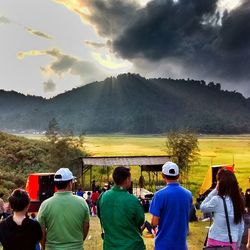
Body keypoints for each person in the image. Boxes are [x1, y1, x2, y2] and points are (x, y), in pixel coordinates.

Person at [37, 168, 90, 250]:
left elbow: (41, 230)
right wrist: (78, 242)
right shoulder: (82, 202)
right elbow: (86, 226)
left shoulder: (45, 205)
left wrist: (44, 247)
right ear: (70, 183)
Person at [97, 166, 145, 250]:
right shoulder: (132, 200)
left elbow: (100, 215)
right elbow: (140, 221)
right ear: (127, 180)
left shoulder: (102, 196)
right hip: (132, 246)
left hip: (110, 246)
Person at [149, 161, 192, 250]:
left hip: (163, 245)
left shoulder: (159, 195)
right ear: (178, 176)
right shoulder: (188, 194)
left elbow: (154, 222)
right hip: (181, 245)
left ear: (163, 176)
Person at [200, 168, 245, 250]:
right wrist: (237, 245)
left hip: (215, 240)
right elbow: (241, 227)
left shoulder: (217, 200)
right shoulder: (239, 201)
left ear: (220, 184)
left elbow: (202, 207)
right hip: (232, 242)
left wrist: (215, 190)